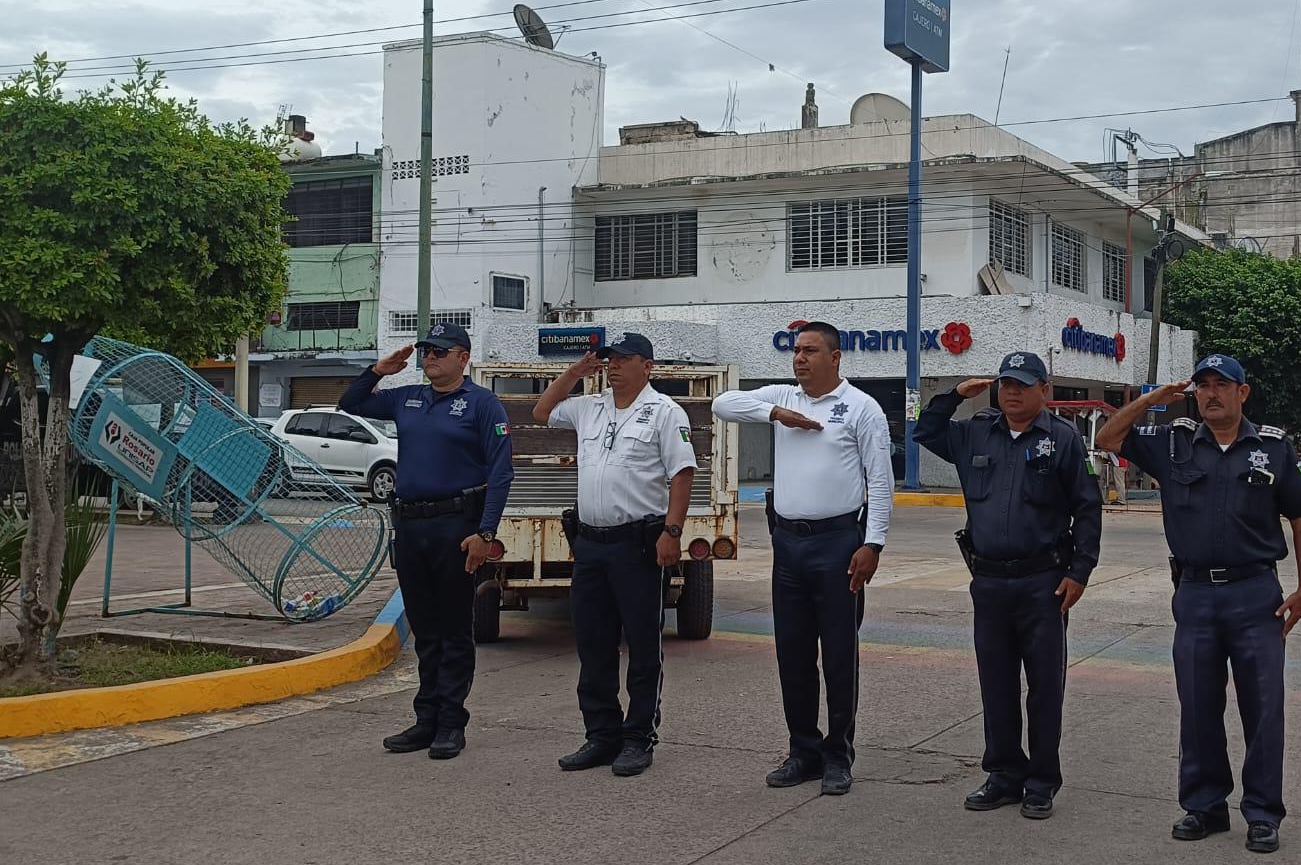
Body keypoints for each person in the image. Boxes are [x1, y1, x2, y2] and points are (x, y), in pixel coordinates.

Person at [1096, 354, 1301, 854]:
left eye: (1223, 385)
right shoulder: (1173, 441)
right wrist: (1152, 399)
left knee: (1263, 708)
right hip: (1195, 595)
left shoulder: (1274, 447)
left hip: (1255, 595)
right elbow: (1106, 439)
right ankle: (1204, 807)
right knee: (1198, 704)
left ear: (1243, 393)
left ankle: (1263, 814)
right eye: (1203, 386)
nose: (1212, 394)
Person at [913, 351, 1101, 821]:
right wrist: (955, 394)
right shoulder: (976, 431)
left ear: (1043, 389)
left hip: (1043, 582)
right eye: (1005, 384)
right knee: (995, 683)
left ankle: (1041, 781)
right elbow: (925, 431)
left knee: (1043, 687)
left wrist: (1079, 572)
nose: (1012, 392)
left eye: (1022, 384)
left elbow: (1088, 508)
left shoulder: (1061, 439)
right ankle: (1002, 774)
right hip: (990, 581)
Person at [711, 320, 893, 796]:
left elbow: (881, 483)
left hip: (838, 543)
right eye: (796, 351)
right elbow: (722, 403)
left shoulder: (861, 409)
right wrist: (776, 413)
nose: (800, 359)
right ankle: (803, 751)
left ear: (835, 357)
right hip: (788, 545)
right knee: (792, 653)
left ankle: (838, 755)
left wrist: (871, 545)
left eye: (811, 351)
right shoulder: (785, 398)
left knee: (838, 654)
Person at [339, 322, 513, 760]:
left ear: (463, 358)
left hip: (457, 528)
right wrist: (378, 370)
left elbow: (501, 473)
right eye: (426, 351)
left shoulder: (483, 404)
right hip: (412, 526)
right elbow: (351, 403)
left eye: (439, 351)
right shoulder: (407, 398)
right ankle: (426, 720)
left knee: (454, 629)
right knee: (426, 629)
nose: (429, 357)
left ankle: (451, 722)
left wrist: (486, 533)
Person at [532, 332, 697, 777]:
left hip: (637, 546)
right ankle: (600, 736)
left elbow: (682, 474)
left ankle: (638, 737)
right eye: (610, 359)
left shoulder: (665, 412)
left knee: (643, 647)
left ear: (648, 365)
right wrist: (574, 373)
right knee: (594, 645)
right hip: (590, 545)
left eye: (624, 359)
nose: (614, 366)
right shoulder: (591, 407)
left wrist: (672, 531)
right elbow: (542, 411)